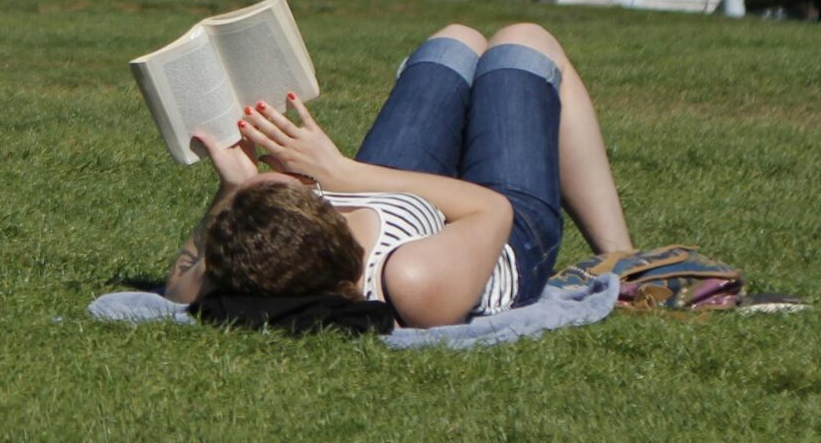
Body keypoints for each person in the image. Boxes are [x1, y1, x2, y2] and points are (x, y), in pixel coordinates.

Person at [160, 22, 632, 327]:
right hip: (499, 235)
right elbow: (490, 208)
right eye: (303, 187)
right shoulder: (409, 279)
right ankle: (622, 254)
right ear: (326, 214)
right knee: (525, 46)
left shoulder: (244, 267)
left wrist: (231, 186)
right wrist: (342, 171)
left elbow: (180, 282)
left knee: (455, 41)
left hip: (384, 195)